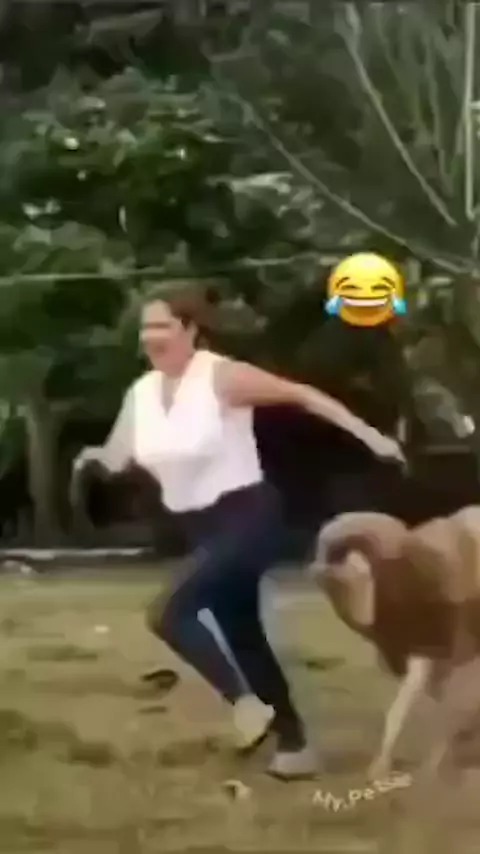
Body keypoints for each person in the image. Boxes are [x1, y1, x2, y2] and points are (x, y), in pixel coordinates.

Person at [73, 281, 404, 779]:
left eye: (161, 326)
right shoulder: (140, 394)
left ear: (190, 330)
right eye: (145, 328)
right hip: (201, 526)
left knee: (169, 613)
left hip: (249, 516)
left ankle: (248, 706)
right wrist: (94, 457)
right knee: (243, 633)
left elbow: (303, 395)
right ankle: (296, 747)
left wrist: (372, 437)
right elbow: (119, 455)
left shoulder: (221, 378)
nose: (150, 336)